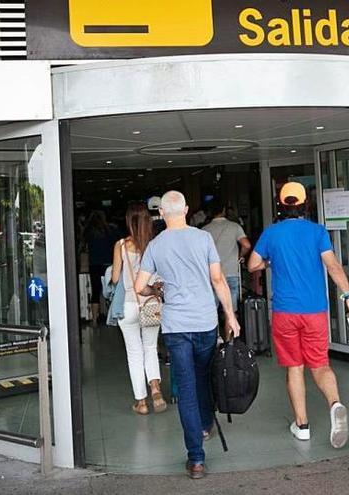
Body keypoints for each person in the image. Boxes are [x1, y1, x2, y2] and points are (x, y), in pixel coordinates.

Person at [248, 181, 349, 449]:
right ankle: (334, 404)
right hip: (314, 311)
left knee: (295, 368)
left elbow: (253, 263)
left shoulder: (272, 233)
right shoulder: (317, 232)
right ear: (304, 205)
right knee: (320, 365)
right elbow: (333, 266)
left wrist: (269, 261)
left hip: (286, 312)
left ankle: (302, 426)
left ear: (281, 205)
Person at [135, 191, 240, 480]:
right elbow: (217, 280)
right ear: (186, 210)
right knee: (204, 375)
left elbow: (139, 286)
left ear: (162, 214)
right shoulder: (203, 238)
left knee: (187, 388)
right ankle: (206, 424)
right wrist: (230, 315)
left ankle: (196, 459)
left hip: (176, 327)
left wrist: (156, 290)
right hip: (205, 321)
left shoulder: (156, 245)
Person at [110, 202, 168, 416]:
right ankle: (156, 391)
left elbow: (115, 278)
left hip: (128, 304)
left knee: (134, 353)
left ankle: (141, 402)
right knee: (150, 348)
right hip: (150, 303)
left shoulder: (121, 245)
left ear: (128, 221)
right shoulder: (154, 245)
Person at [202, 200, 251, 317]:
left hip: (212, 274)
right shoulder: (234, 226)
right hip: (231, 272)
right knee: (230, 312)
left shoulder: (204, 230)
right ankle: (230, 336)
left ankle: (215, 335)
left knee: (211, 311)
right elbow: (247, 245)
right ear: (224, 210)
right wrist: (240, 256)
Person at [83, 210, 120, 324]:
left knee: (95, 292)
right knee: (112, 290)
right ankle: (112, 317)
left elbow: (83, 246)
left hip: (94, 264)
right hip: (108, 264)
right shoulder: (110, 230)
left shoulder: (89, 232)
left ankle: (94, 320)